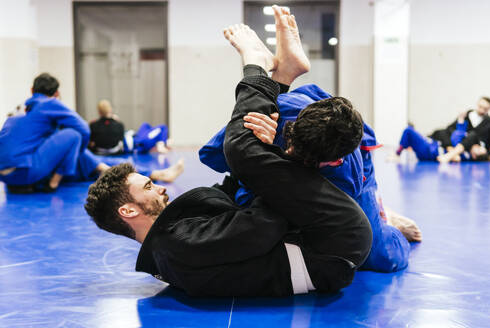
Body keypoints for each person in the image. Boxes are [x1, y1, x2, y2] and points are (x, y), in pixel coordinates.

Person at [85, 7, 372, 297]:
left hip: (325, 235)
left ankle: (280, 79)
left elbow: (232, 190)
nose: (159, 188)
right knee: (240, 149)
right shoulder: (174, 248)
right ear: (128, 210)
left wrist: (270, 153)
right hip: (333, 242)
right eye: (147, 186)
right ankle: (261, 70)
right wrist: (283, 156)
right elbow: (263, 226)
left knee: (243, 150)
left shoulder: (175, 233)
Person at [200, 84, 421, 273]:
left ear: (332, 163)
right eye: (289, 143)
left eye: (300, 159)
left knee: (376, 255)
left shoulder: (345, 179)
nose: (288, 152)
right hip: (318, 125)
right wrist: (251, 141)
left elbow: (300, 208)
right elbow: (210, 155)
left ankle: (385, 220)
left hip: (358, 167)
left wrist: (268, 154)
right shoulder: (280, 110)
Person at [0, 73, 184, 193]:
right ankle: (154, 174)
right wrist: (76, 153)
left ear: (31, 91)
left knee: (95, 162)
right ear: (56, 94)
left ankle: (154, 174)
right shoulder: (50, 104)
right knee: (78, 142)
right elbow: (82, 130)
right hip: (29, 172)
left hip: (8, 178)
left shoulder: (18, 115)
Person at [89, 99, 170, 155]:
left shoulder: (93, 125)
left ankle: (161, 143)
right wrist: (115, 120)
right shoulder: (118, 124)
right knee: (163, 127)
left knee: (145, 125)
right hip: (139, 142)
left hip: (133, 137)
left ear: (99, 112)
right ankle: (161, 144)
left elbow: (92, 142)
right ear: (110, 110)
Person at [394, 122, 489, 163]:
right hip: (432, 145)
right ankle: (402, 149)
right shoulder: (464, 150)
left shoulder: (464, 156)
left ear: (475, 156)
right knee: (410, 133)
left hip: (429, 150)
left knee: (408, 130)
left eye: (479, 149)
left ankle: (397, 154)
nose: (477, 146)